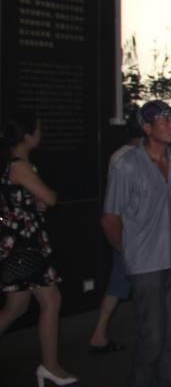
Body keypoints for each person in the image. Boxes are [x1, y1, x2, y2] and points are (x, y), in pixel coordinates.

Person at [101, 101, 171, 387]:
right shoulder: (127, 165)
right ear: (147, 127)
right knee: (151, 336)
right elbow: (110, 219)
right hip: (146, 265)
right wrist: (129, 254)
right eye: (164, 120)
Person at [0, 113, 78, 386]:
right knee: (51, 300)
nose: (40, 135)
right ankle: (50, 366)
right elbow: (50, 198)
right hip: (26, 246)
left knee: (16, 307)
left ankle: (50, 366)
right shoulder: (20, 166)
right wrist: (45, 198)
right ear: (28, 136)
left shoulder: (11, 165)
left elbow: (23, 202)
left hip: (17, 244)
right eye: (39, 131)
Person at [89, 117, 144, 354]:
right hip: (132, 230)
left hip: (124, 228)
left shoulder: (118, 155)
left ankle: (99, 333)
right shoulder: (133, 158)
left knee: (117, 284)